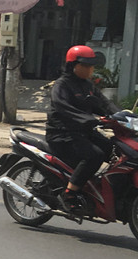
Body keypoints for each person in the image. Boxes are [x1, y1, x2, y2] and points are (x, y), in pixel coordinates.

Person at [46, 45, 116, 212]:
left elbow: (104, 104)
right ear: (73, 65)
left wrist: (123, 116)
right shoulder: (61, 85)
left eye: (91, 66)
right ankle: (69, 194)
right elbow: (63, 107)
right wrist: (87, 119)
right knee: (94, 155)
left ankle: (101, 187)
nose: (90, 69)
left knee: (114, 150)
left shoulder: (87, 85)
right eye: (85, 65)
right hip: (63, 134)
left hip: (84, 132)